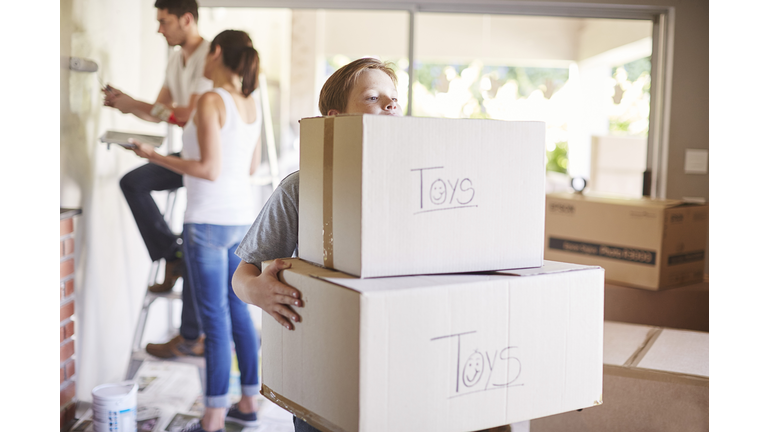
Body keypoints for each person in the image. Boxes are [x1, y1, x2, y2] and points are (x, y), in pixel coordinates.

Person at [231, 57, 402, 432]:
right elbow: (243, 273)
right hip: (320, 370)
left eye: (394, 99)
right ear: (335, 119)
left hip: (398, 365)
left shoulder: (416, 189)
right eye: (373, 97)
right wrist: (256, 290)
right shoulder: (302, 187)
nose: (390, 104)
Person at [130, 30, 263, 432]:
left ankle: (212, 417)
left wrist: (153, 156)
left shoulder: (210, 99)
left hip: (206, 222)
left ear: (217, 53)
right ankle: (249, 404)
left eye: (209, 52)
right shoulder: (249, 104)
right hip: (242, 220)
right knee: (238, 310)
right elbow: (250, 169)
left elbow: (208, 169)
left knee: (215, 321)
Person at [103, 0, 210, 358]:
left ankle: (190, 334)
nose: (159, 29)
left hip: (207, 161)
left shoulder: (209, 55)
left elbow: (185, 113)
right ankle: (171, 254)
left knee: (197, 238)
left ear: (187, 19)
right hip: (185, 155)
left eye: (164, 22)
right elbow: (162, 112)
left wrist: (141, 104)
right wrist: (129, 104)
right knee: (133, 182)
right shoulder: (175, 59)